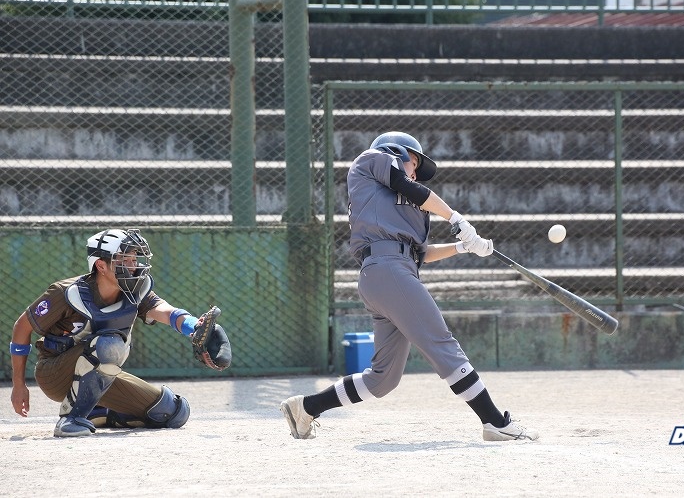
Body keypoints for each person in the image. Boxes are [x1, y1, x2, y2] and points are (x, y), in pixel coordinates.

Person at [280, 131, 537, 441]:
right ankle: (494, 421)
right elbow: (405, 185)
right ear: (397, 153)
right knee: (442, 344)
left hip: (392, 274)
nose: (415, 173)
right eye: (414, 163)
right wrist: (455, 217)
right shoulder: (371, 161)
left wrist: (463, 247)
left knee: (382, 379)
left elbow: (420, 253)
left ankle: (306, 408)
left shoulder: (408, 207)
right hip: (387, 271)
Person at [9, 228, 229, 437]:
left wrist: (195, 326)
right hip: (55, 373)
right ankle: (71, 419)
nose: (133, 266)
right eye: (124, 260)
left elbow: (166, 312)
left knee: (171, 412)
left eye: (134, 259)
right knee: (109, 344)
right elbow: (21, 328)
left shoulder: (134, 289)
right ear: (101, 265)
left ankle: (98, 411)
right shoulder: (67, 292)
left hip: (100, 374)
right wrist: (19, 385)